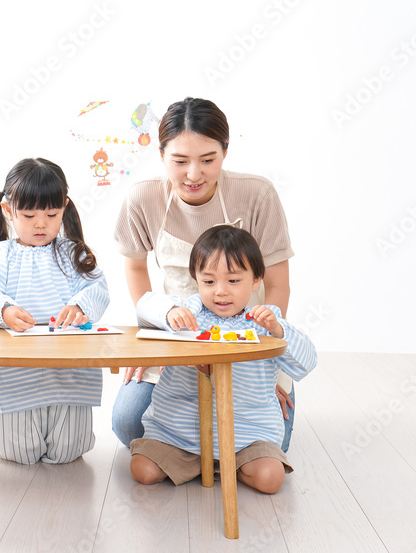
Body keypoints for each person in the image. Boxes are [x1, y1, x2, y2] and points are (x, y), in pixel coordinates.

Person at [111, 97, 298, 451]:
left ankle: (198, 447)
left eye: (208, 160)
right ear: (161, 154)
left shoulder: (257, 194)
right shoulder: (143, 198)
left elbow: (277, 284)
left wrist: (265, 362)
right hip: (176, 335)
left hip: (247, 338)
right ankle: (194, 446)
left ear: (225, 151)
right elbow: (135, 267)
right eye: (180, 161)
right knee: (128, 424)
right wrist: (150, 341)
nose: (194, 174)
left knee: (272, 443)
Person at [130, 225, 317, 493]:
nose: (220, 291)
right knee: (142, 469)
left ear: (256, 280)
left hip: (246, 436)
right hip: (180, 435)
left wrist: (279, 330)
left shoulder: (264, 321)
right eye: (208, 282)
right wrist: (169, 312)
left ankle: (230, 465)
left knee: (270, 477)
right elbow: (144, 306)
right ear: (195, 280)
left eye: (233, 281)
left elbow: (307, 363)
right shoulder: (187, 313)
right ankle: (201, 464)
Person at [0, 158, 109, 464]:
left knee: (68, 452)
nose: (41, 224)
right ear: (8, 210)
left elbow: (98, 290)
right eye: (29, 215)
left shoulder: (73, 253)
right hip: (19, 373)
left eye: (51, 214)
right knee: (18, 453)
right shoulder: (2, 254)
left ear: (64, 207)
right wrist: (4, 310)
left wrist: (79, 306)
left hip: (71, 372)